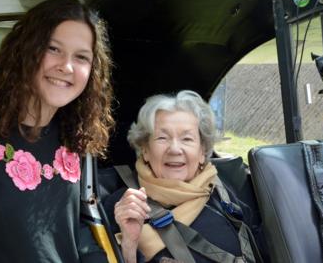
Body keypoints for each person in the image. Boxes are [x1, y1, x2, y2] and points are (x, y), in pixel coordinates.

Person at [0, 0, 114, 262]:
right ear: (24, 51)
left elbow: (80, 235)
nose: (66, 66)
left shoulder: (73, 140)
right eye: (53, 48)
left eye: (81, 57)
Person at [103, 90, 265, 263]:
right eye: (162, 138)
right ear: (145, 150)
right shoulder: (123, 206)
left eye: (187, 139)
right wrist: (129, 244)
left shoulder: (223, 191)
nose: (174, 149)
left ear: (202, 151)